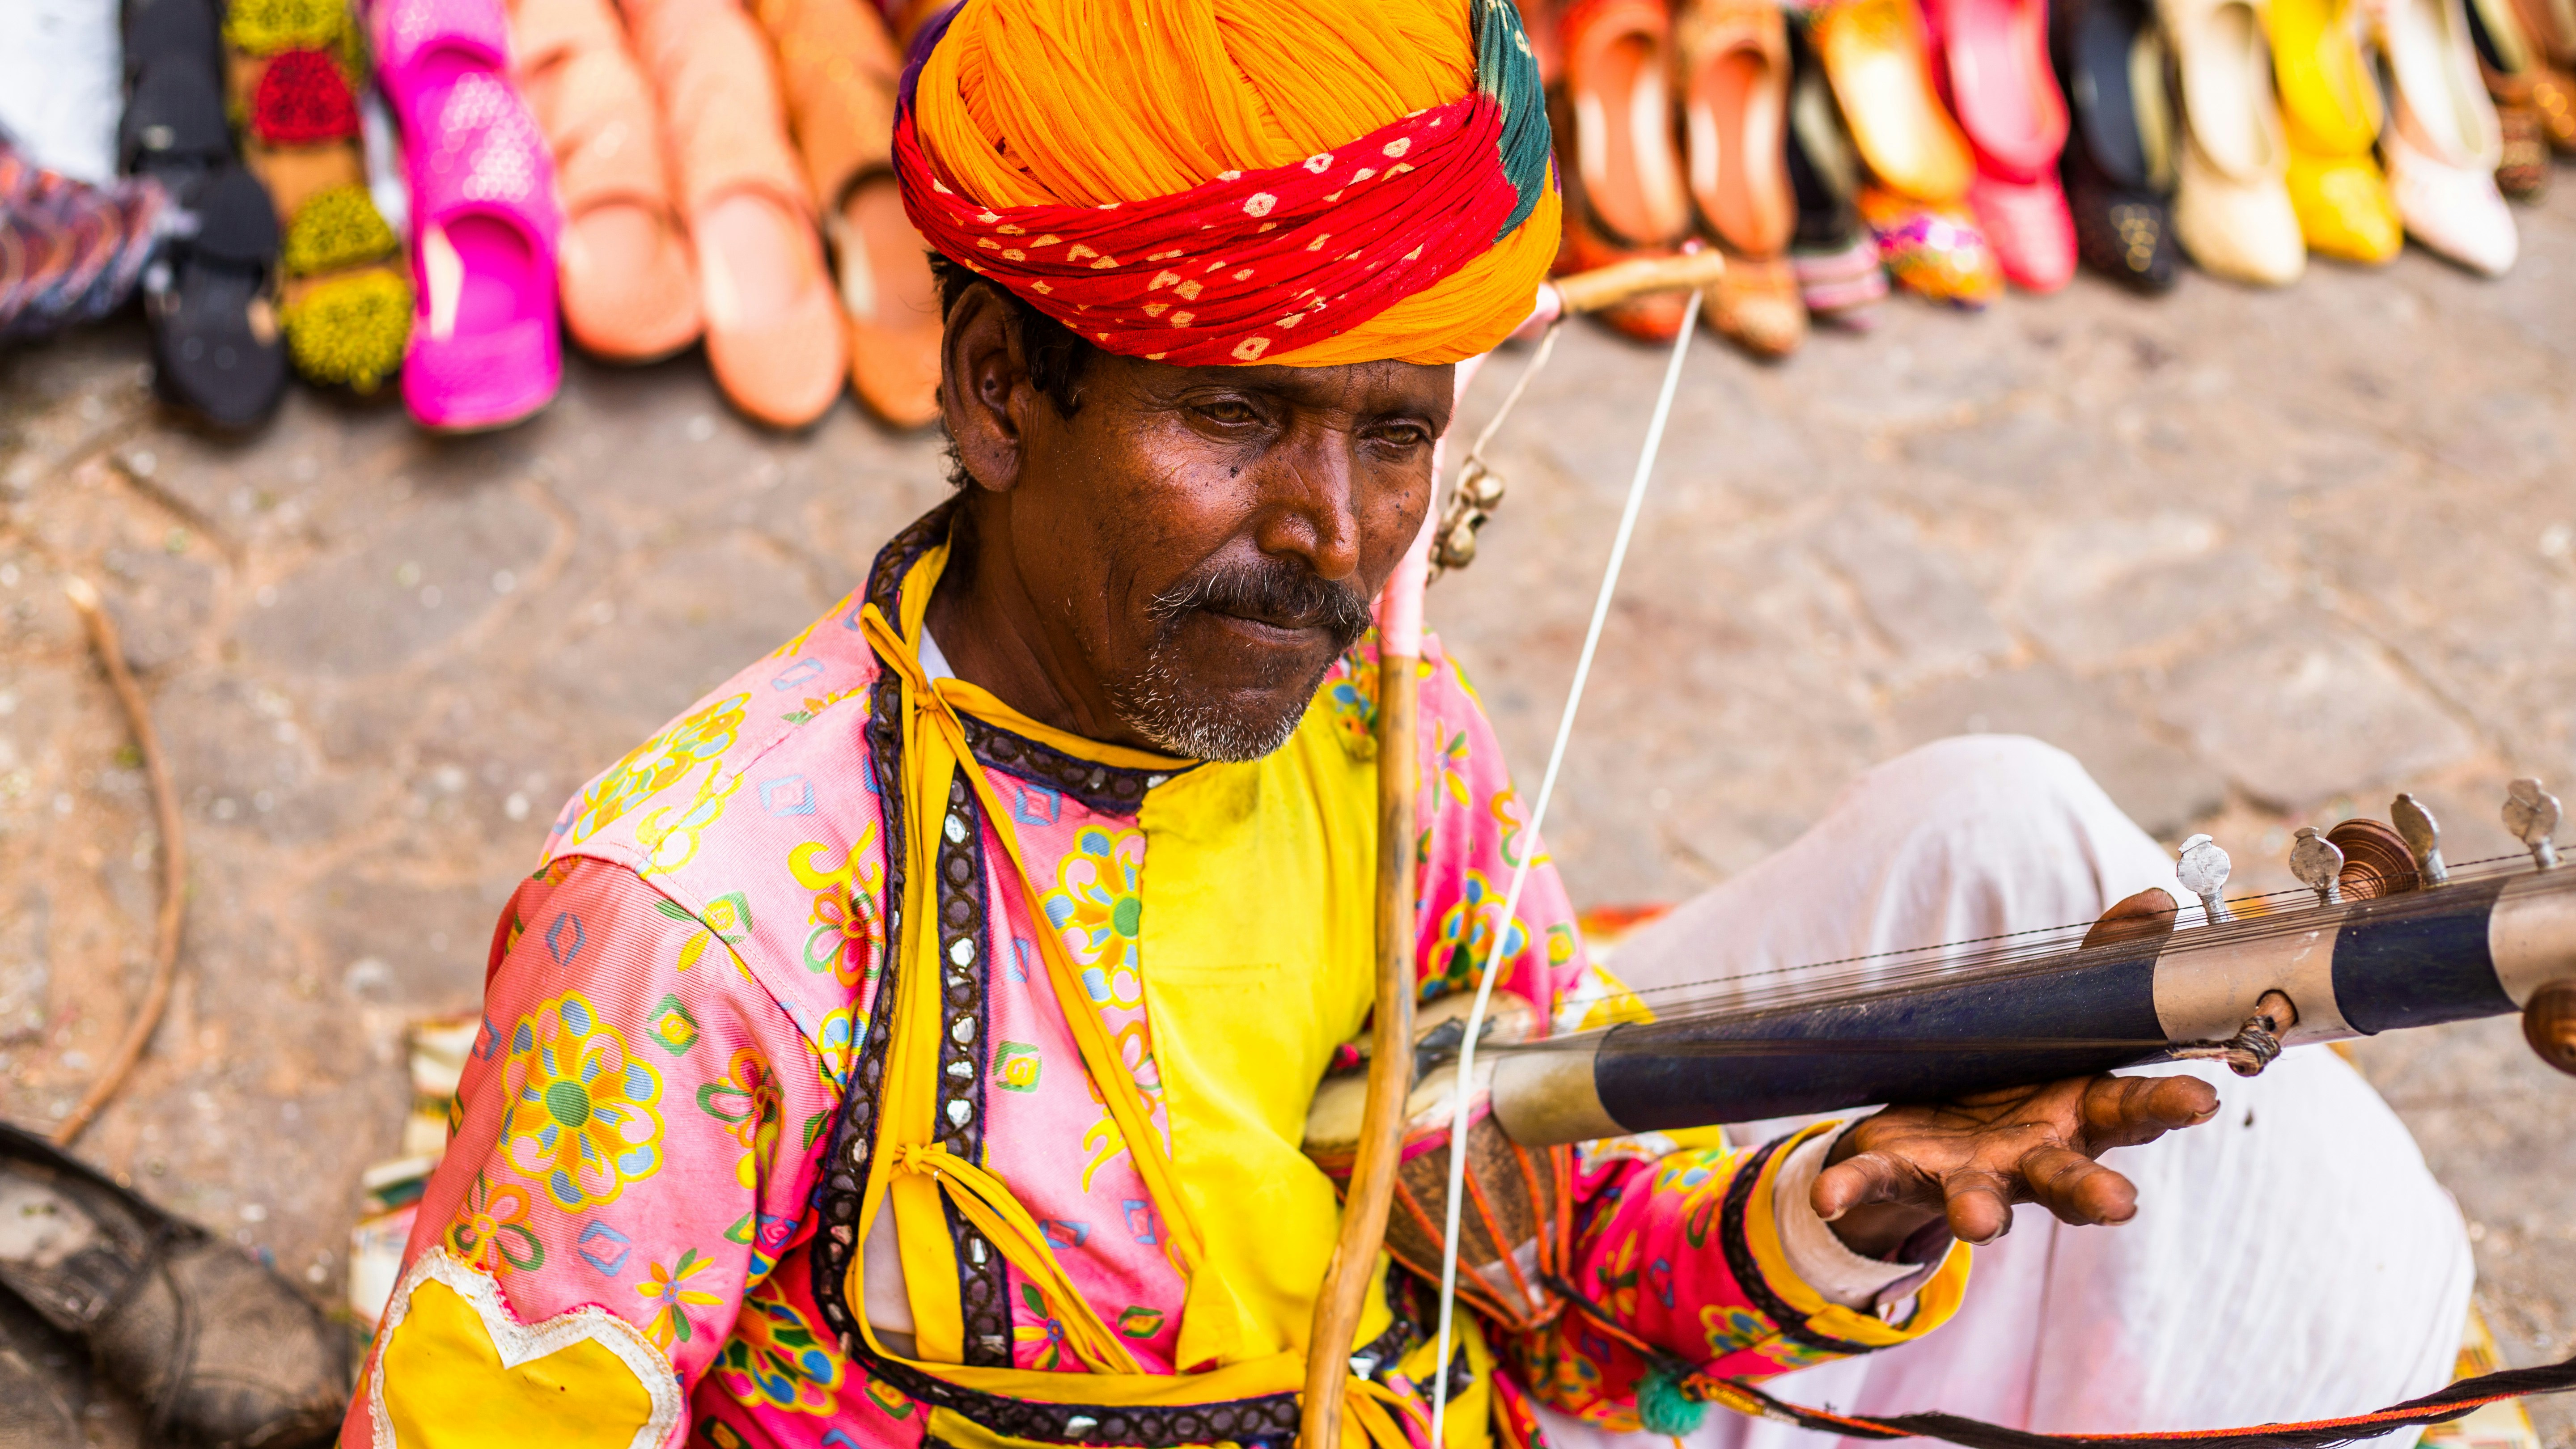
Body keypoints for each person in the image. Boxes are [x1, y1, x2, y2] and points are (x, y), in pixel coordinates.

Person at [340, 3, 2462, 1446]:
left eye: (1393, 436)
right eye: (1235, 418)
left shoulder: (1381, 727)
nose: (1335, 535)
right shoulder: (694, 935)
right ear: (996, 388)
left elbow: (1549, 1250)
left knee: (2054, 888)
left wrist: (1858, 1199)